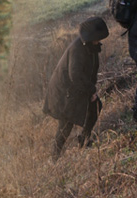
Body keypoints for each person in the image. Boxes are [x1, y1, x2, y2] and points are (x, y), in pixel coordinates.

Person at [43, 17, 109, 159]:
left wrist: (91, 90)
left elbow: (90, 71)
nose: (99, 41)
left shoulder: (91, 47)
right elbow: (76, 75)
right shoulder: (77, 49)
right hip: (64, 92)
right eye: (98, 38)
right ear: (91, 37)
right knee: (66, 123)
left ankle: (84, 140)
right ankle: (54, 156)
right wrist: (91, 91)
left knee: (96, 106)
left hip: (76, 88)